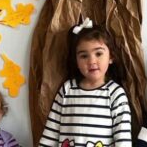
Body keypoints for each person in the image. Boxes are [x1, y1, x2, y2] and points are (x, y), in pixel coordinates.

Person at [38, 18, 133, 147]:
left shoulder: (116, 94)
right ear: (76, 61)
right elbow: (51, 133)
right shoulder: (67, 90)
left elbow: (123, 140)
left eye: (98, 53)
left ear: (111, 57)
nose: (92, 61)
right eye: (84, 56)